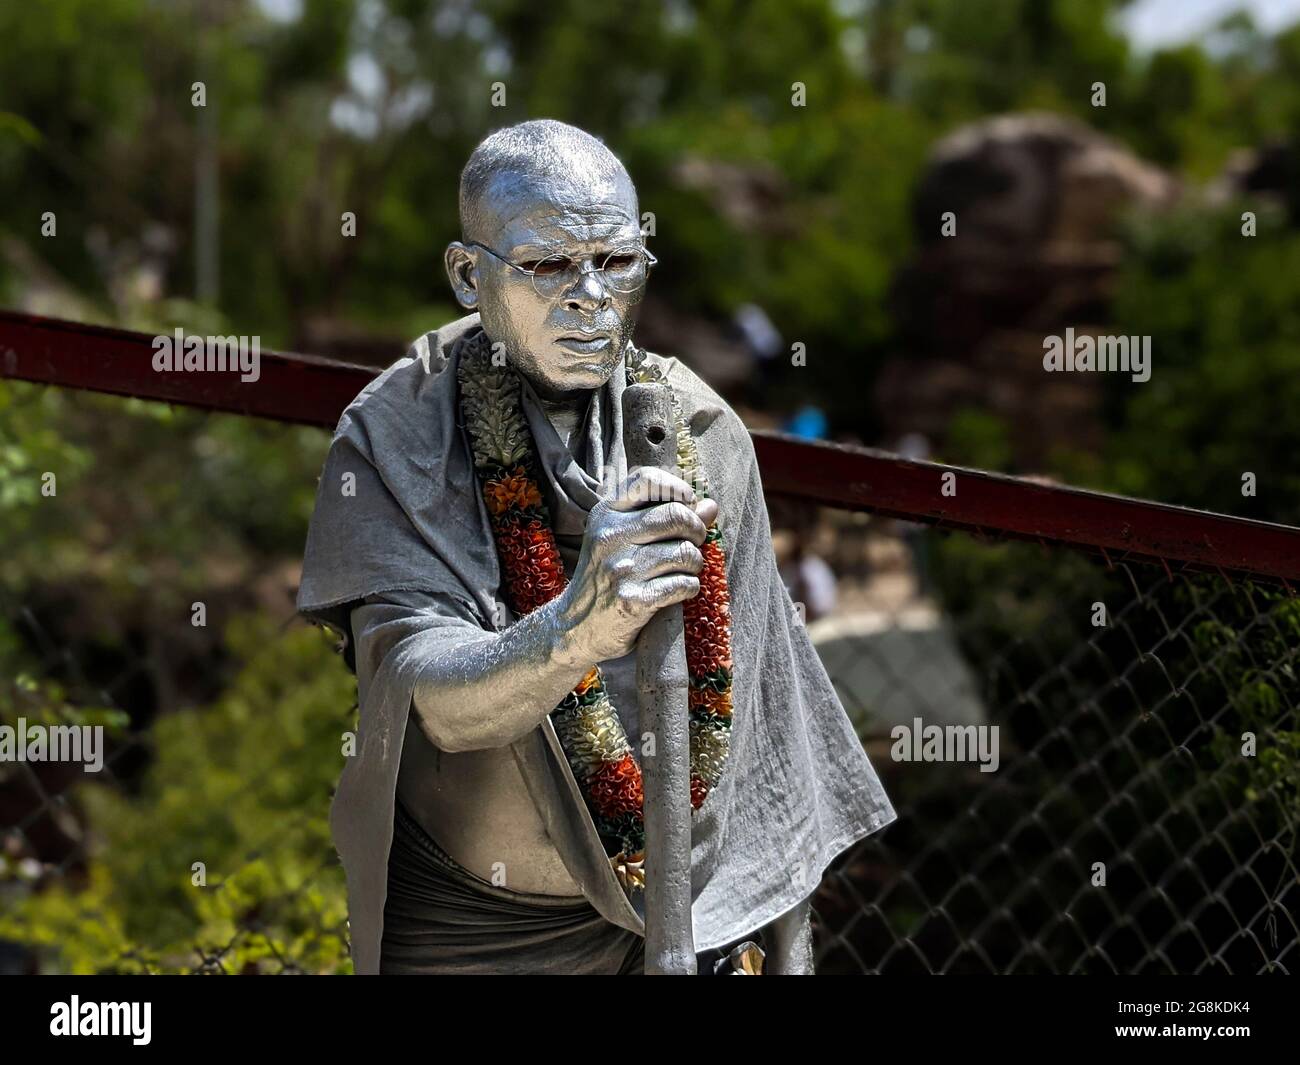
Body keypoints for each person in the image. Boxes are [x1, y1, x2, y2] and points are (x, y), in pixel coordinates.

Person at [296, 119, 896, 975]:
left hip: (687, 924)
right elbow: (430, 696)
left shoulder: (699, 429)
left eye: (616, 262)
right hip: (472, 930)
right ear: (470, 276)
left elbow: (770, 734)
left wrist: (786, 951)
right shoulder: (395, 434)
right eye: (547, 265)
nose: (590, 296)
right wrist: (577, 625)